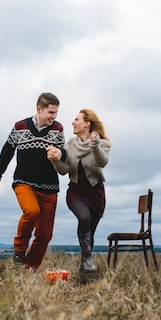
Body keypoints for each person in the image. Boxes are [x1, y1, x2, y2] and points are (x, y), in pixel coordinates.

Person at [0, 93, 67, 270]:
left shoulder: (58, 129)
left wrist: (58, 154)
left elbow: (63, 152)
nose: (54, 117)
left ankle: (29, 270)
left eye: (56, 112)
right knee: (32, 211)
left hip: (49, 186)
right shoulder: (20, 127)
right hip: (24, 182)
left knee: (45, 234)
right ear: (38, 109)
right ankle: (19, 248)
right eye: (51, 112)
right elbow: (7, 151)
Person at [47, 109, 111, 274]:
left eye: (76, 119)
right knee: (84, 218)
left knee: (91, 233)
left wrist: (94, 145)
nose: (72, 123)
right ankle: (88, 259)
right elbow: (64, 170)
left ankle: (84, 269)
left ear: (87, 123)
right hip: (76, 192)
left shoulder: (102, 143)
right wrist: (55, 161)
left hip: (96, 194)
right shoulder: (70, 144)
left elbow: (102, 162)